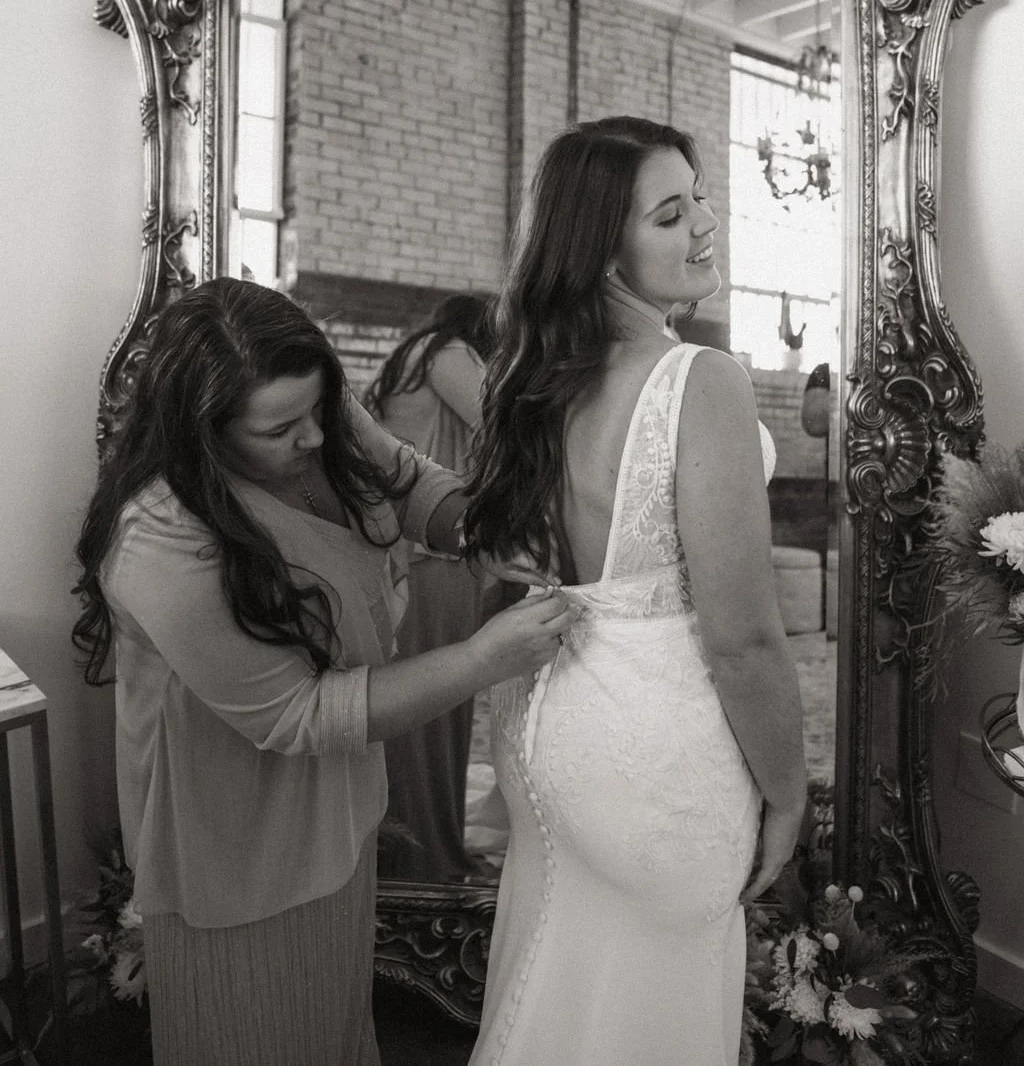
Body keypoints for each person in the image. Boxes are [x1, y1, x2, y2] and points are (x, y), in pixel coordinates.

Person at [70, 278, 571, 1066]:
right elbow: (297, 714)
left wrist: (475, 527)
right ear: (201, 430)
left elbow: (406, 481)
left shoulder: (318, 418)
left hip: (334, 810)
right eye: (279, 429)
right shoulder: (160, 536)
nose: (313, 436)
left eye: (318, 411)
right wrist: (483, 658)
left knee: (332, 1026)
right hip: (235, 837)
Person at [461, 117, 808, 1066]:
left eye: (698, 193)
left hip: (557, 726)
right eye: (669, 212)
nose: (705, 221)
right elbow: (742, 638)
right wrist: (786, 793)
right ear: (602, 255)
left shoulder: (538, 381)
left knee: (566, 977)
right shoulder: (701, 380)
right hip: (662, 747)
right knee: (659, 1014)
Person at [365, 293, 496, 881]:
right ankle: (426, 857)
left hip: (417, 552)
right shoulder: (446, 353)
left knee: (440, 707)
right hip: (431, 554)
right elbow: (500, 419)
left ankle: (431, 844)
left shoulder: (414, 354)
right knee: (434, 708)